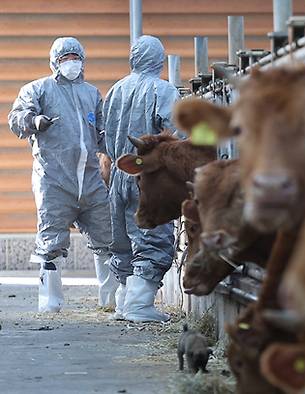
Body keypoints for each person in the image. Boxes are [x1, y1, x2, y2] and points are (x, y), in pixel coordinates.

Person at [7, 37, 119, 313]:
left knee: (107, 238)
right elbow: (16, 117)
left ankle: (111, 301)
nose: (71, 63)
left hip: (91, 179)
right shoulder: (39, 89)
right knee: (51, 242)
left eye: (75, 57)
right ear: (55, 62)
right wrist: (34, 121)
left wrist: (119, 148)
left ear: (83, 60)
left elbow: (102, 132)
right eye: (65, 58)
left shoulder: (92, 93)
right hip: (54, 178)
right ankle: (50, 303)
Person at [103, 35, 181, 322]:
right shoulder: (164, 91)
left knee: (122, 239)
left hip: (119, 173)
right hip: (149, 177)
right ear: (159, 60)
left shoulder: (115, 90)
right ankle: (139, 305)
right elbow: (176, 135)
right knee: (154, 236)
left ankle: (124, 302)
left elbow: (103, 136)